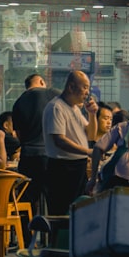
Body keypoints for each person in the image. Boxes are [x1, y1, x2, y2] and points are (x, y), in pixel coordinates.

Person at [42, 70, 99, 215]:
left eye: (88, 87)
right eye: (84, 87)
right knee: (62, 212)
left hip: (78, 166)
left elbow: (91, 135)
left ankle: (73, 237)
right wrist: (88, 152)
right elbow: (59, 140)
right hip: (63, 168)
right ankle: (59, 238)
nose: (87, 92)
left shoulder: (74, 108)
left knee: (79, 211)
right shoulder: (57, 107)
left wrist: (92, 115)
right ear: (71, 87)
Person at [12, 74, 58, 216]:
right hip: (52, 156)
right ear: (42, 81)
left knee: (27, 201)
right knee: (55, 200)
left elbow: (19, 134)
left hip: (28, 157)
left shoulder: (18, 102)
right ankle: (54, 235)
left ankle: (26, 235)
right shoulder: (53, 94)